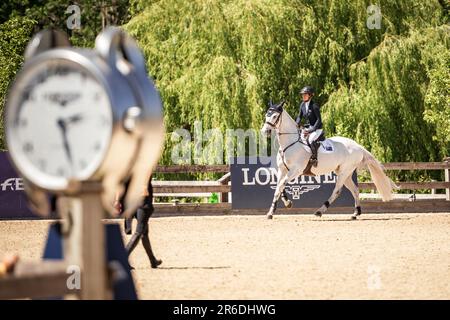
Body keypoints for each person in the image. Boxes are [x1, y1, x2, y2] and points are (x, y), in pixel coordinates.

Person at [114, 177, 162, 269]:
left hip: (134, 202)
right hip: (143, 203)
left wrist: (117, 201)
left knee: (144, 233)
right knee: (139, 232)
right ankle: (122, 258)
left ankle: (153, 260)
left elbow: (121, 183)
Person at [295, 86, 324, 167]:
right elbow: (299, 116)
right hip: (307, 127)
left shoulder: (314, 106)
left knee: (310, 140)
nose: (303, 96)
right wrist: (296, 123)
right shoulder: (302, 105)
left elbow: (319, 120)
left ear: (310, 95)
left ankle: (314, 159)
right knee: (299, 139)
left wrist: (312, 130)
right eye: (302, 95)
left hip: (317, 128)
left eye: (305, 94)